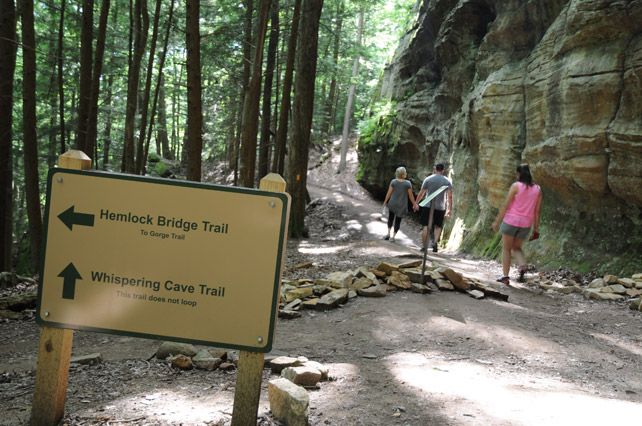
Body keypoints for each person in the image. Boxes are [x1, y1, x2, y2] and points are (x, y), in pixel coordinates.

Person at [492, 163, 543, 285]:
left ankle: (505, 276)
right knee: (517, 247)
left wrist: (497, 221)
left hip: (511, 221)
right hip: (526, 224)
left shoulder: (516, 186)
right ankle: (522, 265)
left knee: (506, 248)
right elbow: (537, 211)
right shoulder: (538, 189)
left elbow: (506, 205)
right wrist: (536, 229)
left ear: (518, 174)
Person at [414, 163, 453, 253]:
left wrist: (416, 203)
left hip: (428, 205)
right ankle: (435, 242)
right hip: (440, 207)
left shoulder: (428, 179)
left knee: (426, 226)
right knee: (438, 226)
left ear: (435, 169)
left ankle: (424, 247)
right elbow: (450, 196)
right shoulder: (447, 181)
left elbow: (421, 193)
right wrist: (450, 209)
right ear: (443, 170)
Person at [382, 166, 418, 243]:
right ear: (404, 174)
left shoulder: (393, 182)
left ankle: (388, 233)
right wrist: (414, 204)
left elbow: (389, 193)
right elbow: (410, 195)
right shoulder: (408, 183)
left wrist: (385, 201)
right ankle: (393, 237)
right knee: (398, 221)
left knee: (390, 218)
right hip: (402, 205)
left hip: (392, 203)